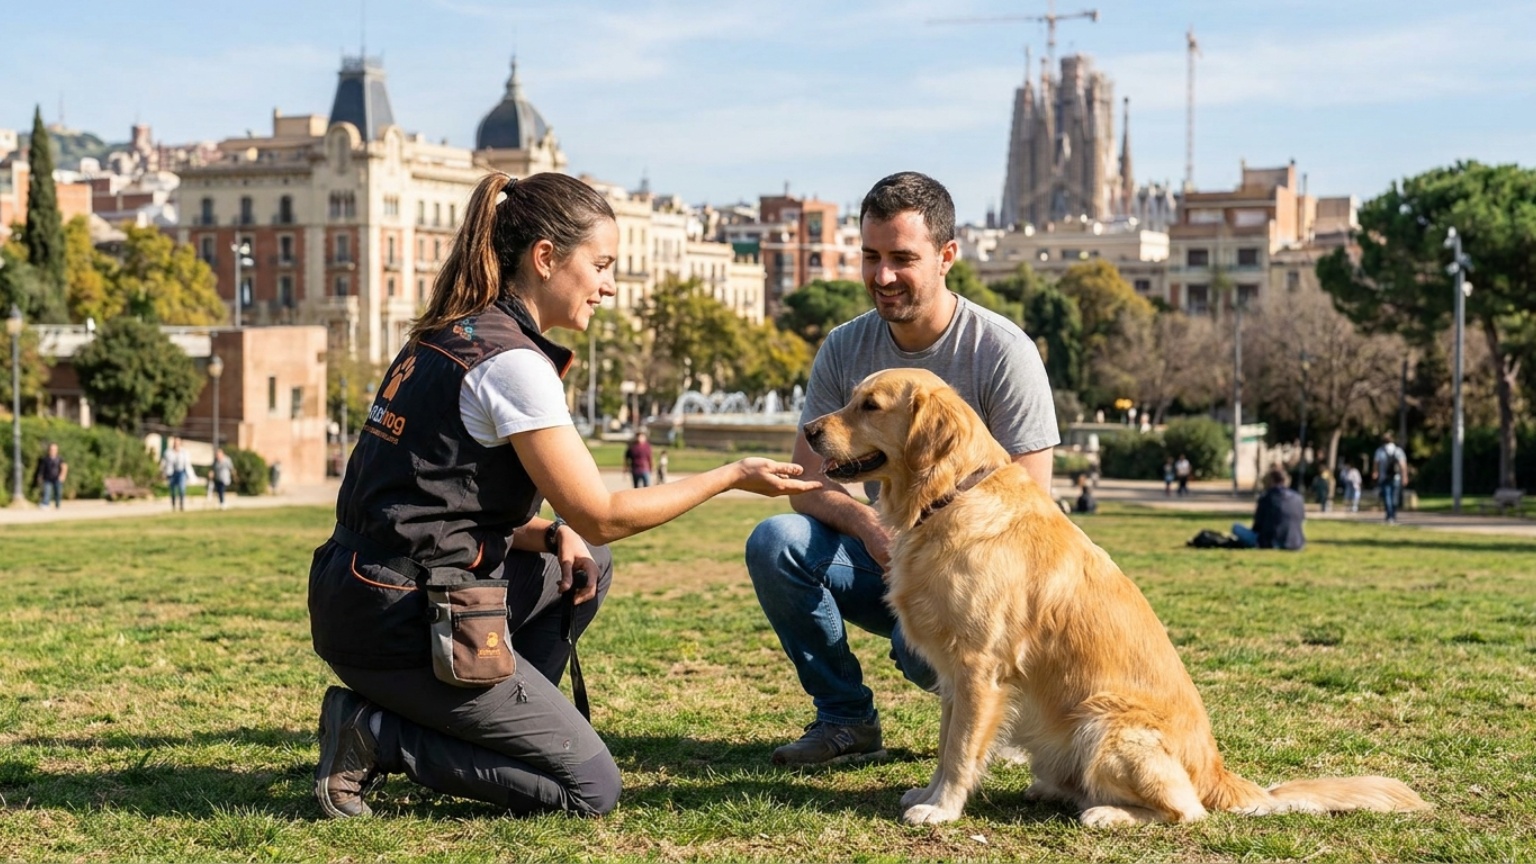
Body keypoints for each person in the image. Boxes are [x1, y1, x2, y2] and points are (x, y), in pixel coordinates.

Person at [307, 171, 818, 821]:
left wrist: (549, 532)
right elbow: (601, 514)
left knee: (578, 560)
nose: (609, 284)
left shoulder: (448, 333)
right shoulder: (512, 363)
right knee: (590, 791)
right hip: (396, 620)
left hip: (359, 594)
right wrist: (730, 476)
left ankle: (492, 722)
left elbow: (424, 501)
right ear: (545, 258)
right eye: (600, 265)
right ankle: (375, 735)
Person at [744, 171, 1059, 767]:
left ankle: (1002, 716)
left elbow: (1030, 506)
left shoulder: (1001, 352)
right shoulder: (844, 346)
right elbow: (806, 481)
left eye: (902, 258)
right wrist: (872, 529)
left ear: (947, 257)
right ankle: (844, 719)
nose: (882, 276)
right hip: (884, 551)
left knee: (928, 647)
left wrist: (929, 554)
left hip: (973, 575)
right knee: (776, 542)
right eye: (870, 256)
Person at [1232, 466, 1306, 550]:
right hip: (1296, 542)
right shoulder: (1298, 498)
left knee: (1236, 527)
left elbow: (1257, 526)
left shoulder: (1266, 498)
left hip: (1269, 542)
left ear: (1271, 480)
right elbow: (1302, 521)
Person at [1372, 431, 1408, 524]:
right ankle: (1393, 515)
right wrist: (1404, 476)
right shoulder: (1398, 451)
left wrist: (1375, 472)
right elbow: (1403, 465)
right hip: (1396, 477)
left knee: (1387, 496)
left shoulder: (1380, 451)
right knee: (1394, 497)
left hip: (1384, 477)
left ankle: (1389, 516)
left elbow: (1376, 463)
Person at [160, 437, 192, 511]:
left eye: (178, 443)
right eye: (175, 443)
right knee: (173, 490)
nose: (176, 444)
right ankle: (174, 505)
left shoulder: (184, 452)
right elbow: (164, 463)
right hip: (171, 473)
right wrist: (162, 472)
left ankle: (181, 504)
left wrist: (189, 474)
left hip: (181, 472)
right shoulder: (168, 452)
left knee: (182, 489)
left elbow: (187, 463)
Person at [33, 442, 68, 509]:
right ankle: (46, 504)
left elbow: (64, 467)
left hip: (57, 478)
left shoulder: (60, 459)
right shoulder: (45, 459)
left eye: (54, 449)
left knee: (58, 493)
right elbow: (42, 469)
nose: (52, 451)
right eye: (51, 449)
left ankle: (57, 505)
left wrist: (62, 476)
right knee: (47, 491)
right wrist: (40, 476)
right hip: (47, 478)